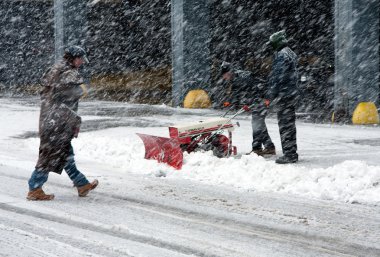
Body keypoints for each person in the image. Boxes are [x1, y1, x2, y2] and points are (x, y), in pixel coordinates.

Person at [27, 45, 98, 200]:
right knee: (50, 155)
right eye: (80, 59)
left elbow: (51, 93)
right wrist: (82, 90)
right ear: (73, 58)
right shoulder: (67, 74)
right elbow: (71, 94)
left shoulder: (57, 70)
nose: (82, 63)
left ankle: (81, 184)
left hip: (52, 119)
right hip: (57, 122)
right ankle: (34, 188)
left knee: (65, 154)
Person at [220, 61, 276, 156]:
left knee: (257, 124)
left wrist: (249, 103)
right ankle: (269, 147)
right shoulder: (236, 78)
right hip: (258, 100)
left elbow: (255, 90)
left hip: (261, 100)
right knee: (259, 125)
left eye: (224, 75)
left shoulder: (242, 78)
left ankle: (257, 148)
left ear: (228, 72)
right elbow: (237, 94)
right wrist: (233, 104)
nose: (224, 78)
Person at [266, 30, 299, 164]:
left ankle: (289, 154)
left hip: (284, 95)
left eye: (272, 44)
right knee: (290, 125)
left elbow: (279, 78)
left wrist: (271, 94)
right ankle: (292, 152)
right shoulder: (290, 53)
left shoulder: (282, 55)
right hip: (291, 94)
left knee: (285, 125)